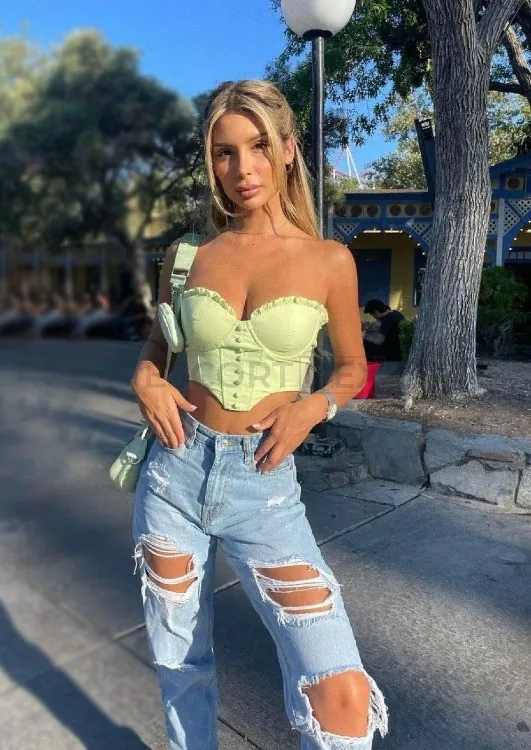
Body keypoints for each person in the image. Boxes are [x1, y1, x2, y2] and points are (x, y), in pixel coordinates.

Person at [130, 79, 388, 750]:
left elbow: (351, 369)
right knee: (180, 667)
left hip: (265, 490)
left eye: (258, 146)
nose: (242, 168)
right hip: (174, 473)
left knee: (339, 689)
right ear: (211, 161)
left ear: (288, 149)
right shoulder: (187, 257)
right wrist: (145, 380)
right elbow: (156, 353)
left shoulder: (328, 260)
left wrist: (313, 407)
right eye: (224, 152)